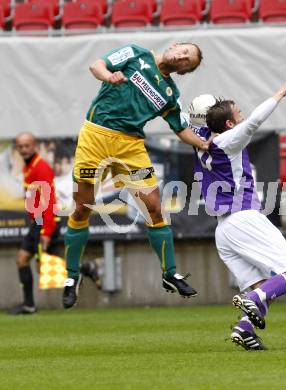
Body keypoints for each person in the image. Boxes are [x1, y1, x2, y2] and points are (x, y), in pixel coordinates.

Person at [63, 42, 209, 309]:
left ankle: (169, 273)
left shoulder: (169, 94)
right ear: (175, 45)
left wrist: (205, 145)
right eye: (184, 51)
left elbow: (180, 128)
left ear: (184, 70)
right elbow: (96, 65)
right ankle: (72, 277)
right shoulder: (135, 53)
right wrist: (109, 76)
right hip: (95, 137)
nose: (182, 57)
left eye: (188, 61)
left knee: (155, 208)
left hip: (130, 147)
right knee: (82, 209)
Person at [190, 72, 286, 350]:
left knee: (264, 286)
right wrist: (280, 93)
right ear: (227, 123)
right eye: (236, 112)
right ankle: (251, 303)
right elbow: (254, 121)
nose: (241, 113)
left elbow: (182, 119)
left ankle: (244, 329)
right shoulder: (229, 140)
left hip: (224, 230)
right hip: (244, 218)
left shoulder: (199, 137)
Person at [8, 133, 60, 315]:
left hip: (44, 223)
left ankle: (88, 269)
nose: (23, 149)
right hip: (35, 222)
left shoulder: (41, 168)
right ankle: (29, 305)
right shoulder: (28, 167)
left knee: (46, 271)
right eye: (20, 146)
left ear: (35, 146)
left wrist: (47, 231)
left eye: (27, 146)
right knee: (21, 260)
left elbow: (49, 202)